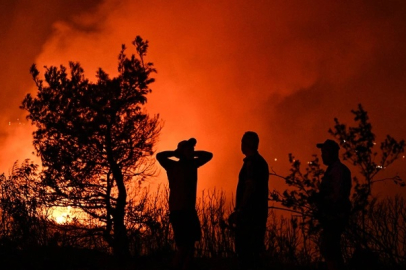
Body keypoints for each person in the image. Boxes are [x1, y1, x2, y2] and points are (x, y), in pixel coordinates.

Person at [156, 138, 212, 270]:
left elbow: (209, 155)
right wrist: (177, 153)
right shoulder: (172, 165)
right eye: (189, 149)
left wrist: (191, 153)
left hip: (189, 210)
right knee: (183, 246)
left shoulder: (193, 164)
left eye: (192, 149)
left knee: (191, 245)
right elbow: (159, 156)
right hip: (178, 211)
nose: (192, 151)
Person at [228, 131, 269, 270]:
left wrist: (240, 210)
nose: (241, 145)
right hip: (257, 214)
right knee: (254, 253)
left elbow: (250, 187)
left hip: (249, 216)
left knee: (246, 253)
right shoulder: (259, 162)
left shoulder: (252, 163)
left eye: (243, 141)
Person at [314, 139, 352, 270]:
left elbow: (337, 196)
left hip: (335, 216)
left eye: (324, 152)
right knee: (330, 248)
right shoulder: (334, 170)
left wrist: (322, 202)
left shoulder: (338, 171)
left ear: (331, 153)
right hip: (332, 216)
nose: (322, 155)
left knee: (330, 247)